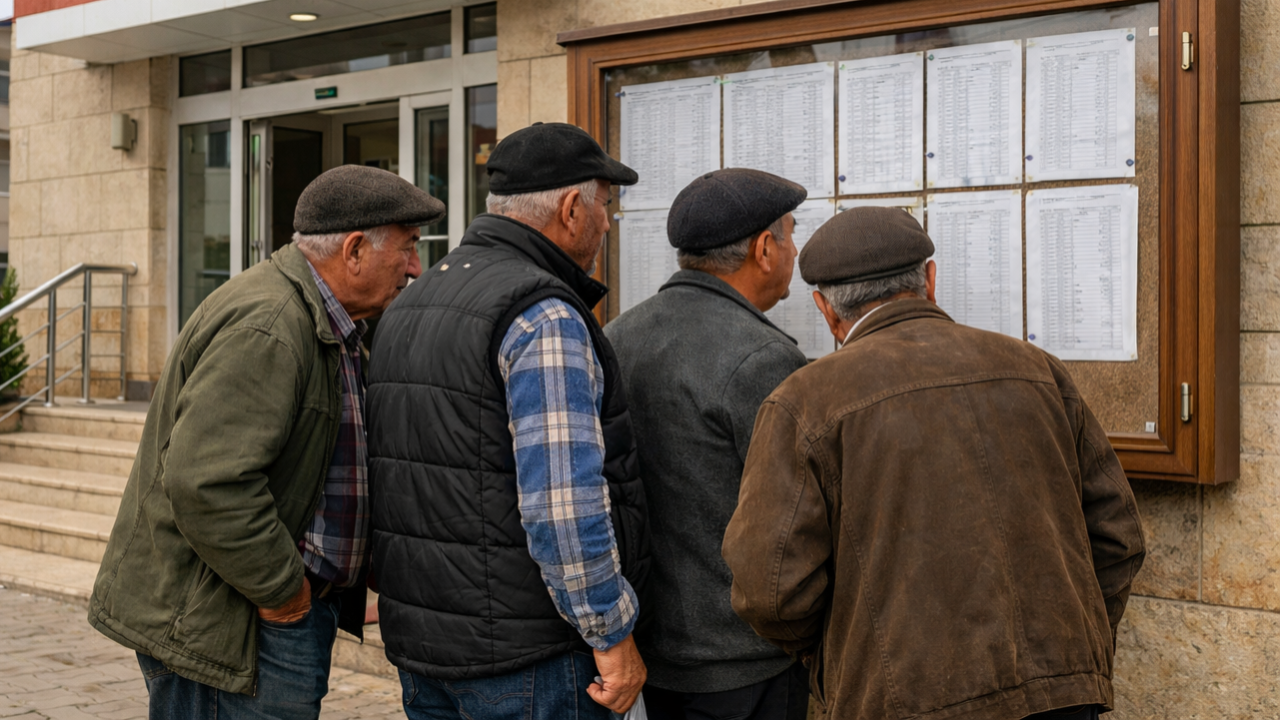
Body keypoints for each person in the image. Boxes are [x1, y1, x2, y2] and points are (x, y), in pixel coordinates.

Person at [722, 207, 1147, 720]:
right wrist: (1073, 652)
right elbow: (1118, 536)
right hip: (1062, 698)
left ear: (825, 309)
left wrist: (841, 658)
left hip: (900, 700)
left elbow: (769, 592)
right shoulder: (1038, 370)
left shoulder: (804, 402)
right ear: (929, 279)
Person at [87, 165, 442, 720]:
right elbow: (208, 483)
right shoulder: (273, 323)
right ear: (353, 250)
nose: (416, 268)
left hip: (260, 618)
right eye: (408, 248)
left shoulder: (326, 320)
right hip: (237, 625)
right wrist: (285, 594)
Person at [366, 122, 649, 720]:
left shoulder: (412, 300)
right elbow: (563, 504)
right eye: (605, 205)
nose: (606, 223)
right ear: (572, 208)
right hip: (528, 663)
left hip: (428, 651)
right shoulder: (542, 314)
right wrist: (611, 633)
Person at [605, 168, 810, 720]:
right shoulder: (762, 358)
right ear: (765, 249)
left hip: (650, 646)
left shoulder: (619, 334)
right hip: (744, 661)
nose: (796, 251)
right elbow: (798, 520)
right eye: (791, 234)